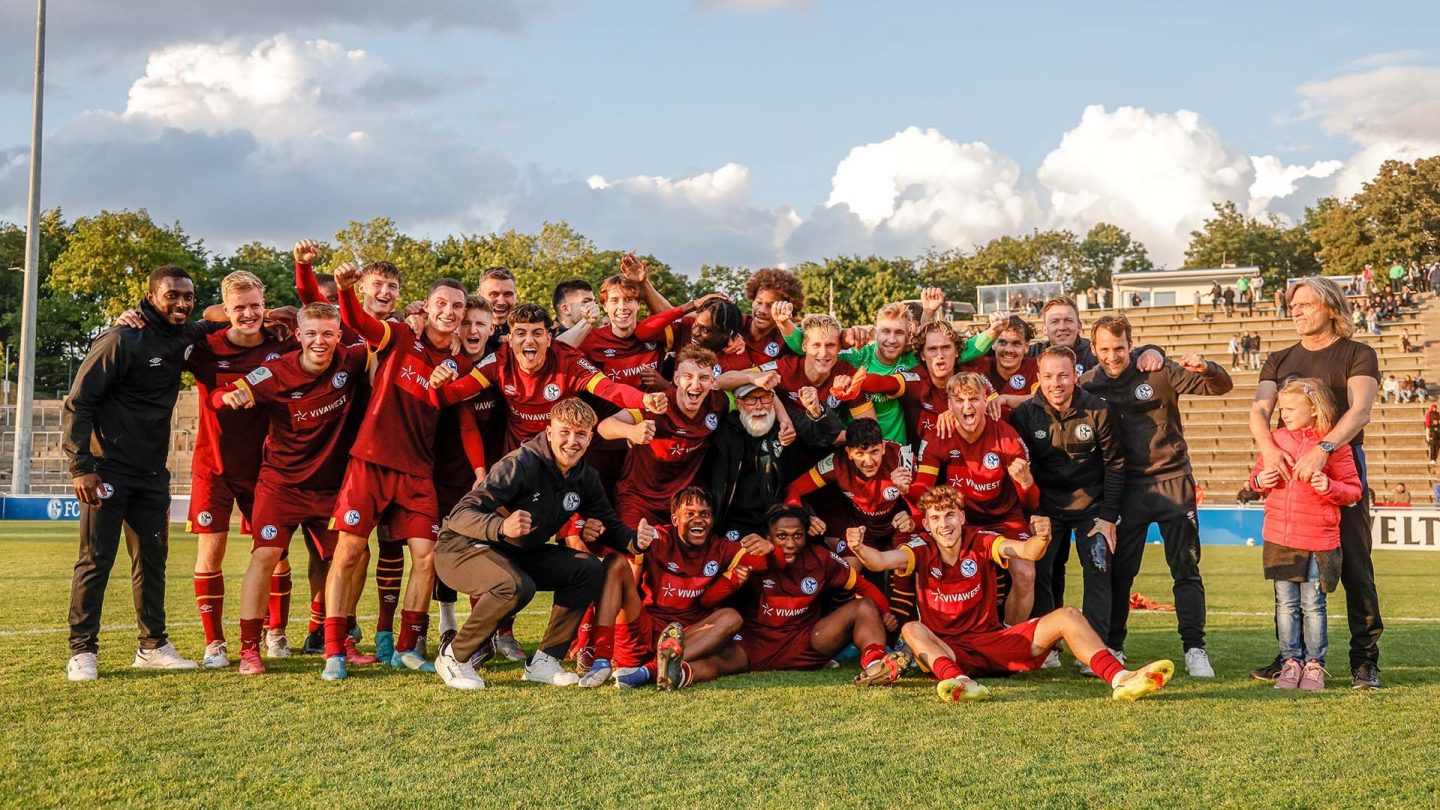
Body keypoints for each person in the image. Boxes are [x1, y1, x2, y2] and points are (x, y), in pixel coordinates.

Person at [846, 486, 1174, 702]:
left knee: (1068, 616)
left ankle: (1121, 679)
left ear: (961, 517)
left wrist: (1042, 539)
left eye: (949, 516)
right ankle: (961, 683)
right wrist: (859, 547)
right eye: (935, 518)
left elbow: (1026, 551)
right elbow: (881, 560)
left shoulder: (983, 540)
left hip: (994, 643)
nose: (943, 524)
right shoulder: (920, 547)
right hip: (948, 650)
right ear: (928, 524)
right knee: (911, 629)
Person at [63, 265, 224, 680]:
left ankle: (152, 645)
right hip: (106, 469)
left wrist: (274, 314)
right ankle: (82, 652)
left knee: (152, 560)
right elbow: (78, 403)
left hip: (151, 473)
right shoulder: (120, 339)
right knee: (96, 560)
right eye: (172, 295)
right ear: (151, 296)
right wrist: (82, 467)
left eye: (187, 296)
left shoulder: (184, 335)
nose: (182, 303)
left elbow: (220, 314)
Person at [319, 271, 480, 680]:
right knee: (349, 552)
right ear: (426, 306)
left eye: (457, 306)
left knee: (427, 557)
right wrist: (345, 289)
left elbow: (456, 409)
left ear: (463, 315)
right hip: (369, 462)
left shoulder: (462, 364)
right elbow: (356, 321)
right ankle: (334, 649)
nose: (449, 311)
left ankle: (407, 647)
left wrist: (446, 382)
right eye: (441, 303)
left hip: (417, 472)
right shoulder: (398, 335)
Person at [432, 399, 654, 690]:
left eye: (581, 434)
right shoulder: (520, 464)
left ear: (590, 437)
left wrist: (635, 541)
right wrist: (500, 526)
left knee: (587, 569)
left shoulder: (585, 476)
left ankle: (544, 661)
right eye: (565, 432)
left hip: (512, 553)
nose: (572, 441)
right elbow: (461, 514)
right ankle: (453, 655)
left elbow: (610, 525)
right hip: (459, 550)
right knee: (516, 585)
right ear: (549, 432)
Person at [209, 302, 370, 675]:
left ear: (338, 335)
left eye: (328, 333)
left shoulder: (350, 360)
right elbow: (222, 394)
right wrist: (228, 397)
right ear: (298, 335)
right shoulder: (275, 372)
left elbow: (386, 340)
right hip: (281, 484)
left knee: (352, 557)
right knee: (266, 555)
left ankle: (339, 639)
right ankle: (250, 648)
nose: (320, 341)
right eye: (311, 333)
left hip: (330, 488)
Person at [1250, 275, 1383, 690]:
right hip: (1289, 470)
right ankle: (1290, 657)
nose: (1297, 311)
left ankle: (1364, 661)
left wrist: (1323, 449)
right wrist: (1270, 451)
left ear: (1330, 307)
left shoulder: (1358, 353)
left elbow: (1360, 411)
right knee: (1288, 571)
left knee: (1356, 567)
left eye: (1305, 303)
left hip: (1339, 463)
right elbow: (1259, 411)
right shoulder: (1279, 358)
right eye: (1293, 305)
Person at [1081, 315, 1233, 677]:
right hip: (1125, 490)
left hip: (1173, 482)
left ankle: (1195, 649)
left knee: (1185, 567)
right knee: (1121, 573)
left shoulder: (1158, 370)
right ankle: (1114, 647)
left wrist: (1207, 366)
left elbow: (1221, 387)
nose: (1113, 356)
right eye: (1105, 349)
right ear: (1093, 350)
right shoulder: (1087, 384)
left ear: (1130, 345)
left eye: (1119, 348)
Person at [182, 271, 298, 669]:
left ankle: (276, 632)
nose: (248, 314)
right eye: (239, 307)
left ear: (265, 308)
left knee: (275, 552)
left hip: (265, 468)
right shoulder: (204, 348)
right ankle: (215, 643)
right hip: (212, 465)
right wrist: (221, 398)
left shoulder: (281, 346)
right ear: (225, 311)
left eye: (255, 306)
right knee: (210, 553)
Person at [670, 504, 905, 688]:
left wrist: (885, 613)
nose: (791, 543)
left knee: (864, 606)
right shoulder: (753, 556)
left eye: (798, 535)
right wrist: (732, 582)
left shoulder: (821, 558)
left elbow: (864, 587)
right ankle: (672, 673)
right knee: (718, 664)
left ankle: (875, 665)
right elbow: (708, 601)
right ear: (768, 537)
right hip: (754, 645)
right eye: (782, 536)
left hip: (805, 644)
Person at [586, 487, 771, 689]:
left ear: (712, 520)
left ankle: (650, 670)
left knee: (731, 617)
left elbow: (764, 561)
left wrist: (770, 548)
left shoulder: (720, 547)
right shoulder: (659, 538)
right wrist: (595, 537)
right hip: (643, 630)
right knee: (615, 563)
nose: (698, 519)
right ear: (675, 520)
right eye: (690, 513)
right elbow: (606, 550)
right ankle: (602, 659)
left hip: (687, 637)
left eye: (705, 514)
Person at [1010, 346, 1125, 670]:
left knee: (1099, 569)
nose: (1056, 383)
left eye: (1063, 375)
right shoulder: (1026, 414)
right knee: (1044, 572)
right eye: (1048, 376)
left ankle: (1095, 651)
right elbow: (1021, 469)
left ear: (1075, 375)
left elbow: (1116, 465)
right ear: (1038, 378)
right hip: (1045, 508)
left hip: (1092, 507)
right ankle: (1049, 647)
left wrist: (1107, 517)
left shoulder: (1098, 411)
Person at [1251, 380, 1361, 691]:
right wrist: (1261, 478)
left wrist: (1331, 488)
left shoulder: (1335, 445)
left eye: (1290, 408)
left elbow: (1354, 490)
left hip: (1318, 539)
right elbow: (1256, 478)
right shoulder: (1275, 440)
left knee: (1313, 604)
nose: (1283, 414)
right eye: (1281, 408)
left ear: (1314, 408)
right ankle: (1290, 662)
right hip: (1279, 537)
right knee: (1285, 604)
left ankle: (1314, 664)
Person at [910, 373, 1039, 625]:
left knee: (1025, 574)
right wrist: (907, 489)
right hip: (962, 522)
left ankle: (1009, 640)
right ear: (949, 405)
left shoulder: (1006, 435)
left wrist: (1026, 483)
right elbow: (923, 491)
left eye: (973, 399)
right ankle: (941, 635)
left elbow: (1031, 503)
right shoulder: (939, 437)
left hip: (1005, 518)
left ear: (985, 402)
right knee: (924, 560)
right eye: (959, 400)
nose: (967, 407)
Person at [598, 345, 729, 527]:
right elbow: (604, 427)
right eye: (688, 376)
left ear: (712, 381)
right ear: (675, 378)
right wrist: (631, 432)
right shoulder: (656, 403)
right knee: (633, 550)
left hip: (683, 503)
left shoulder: (718, 403)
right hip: (639, 499)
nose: (696, 384)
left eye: (704, 378)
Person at [703, 381, 843, 540]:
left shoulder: (785, 426)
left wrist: (817, 410)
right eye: (751, 399)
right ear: (739, 403)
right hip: (728, 523)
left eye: (765, 398)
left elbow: (827, 434)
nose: (759, 406)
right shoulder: (721, 431)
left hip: (775, 521)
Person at [478, 266, 518, 353]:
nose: (501, 302)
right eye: (493, 294)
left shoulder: (528, 332)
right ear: (480, 297)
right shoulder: (460, 334)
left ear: (516, 296)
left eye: (508, 294)